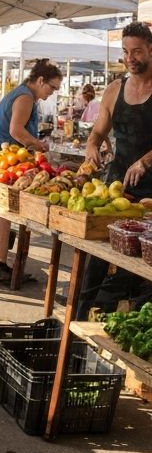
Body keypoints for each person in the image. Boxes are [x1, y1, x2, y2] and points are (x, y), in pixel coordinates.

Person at [79, 22, 152, 316]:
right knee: (95, 259)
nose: (130, 57)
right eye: (125, 52)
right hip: (116, 186)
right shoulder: (114, 89)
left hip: (150, 194)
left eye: (136, 51)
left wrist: (146, 160)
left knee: (140, 267)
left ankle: (130, 320)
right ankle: (80, 319)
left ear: (151, 50)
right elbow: (98, 131)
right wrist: (93, 145)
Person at [0, 60, 60, 283]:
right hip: (1, 156)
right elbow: (15, 130)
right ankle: (0, 264)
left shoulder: (22, 93)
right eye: (51, 88)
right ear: (40, 80)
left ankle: (0, 262)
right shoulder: (25, 97)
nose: (51, 93)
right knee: (5, 211)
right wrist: (38, 144)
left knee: (3, 212)